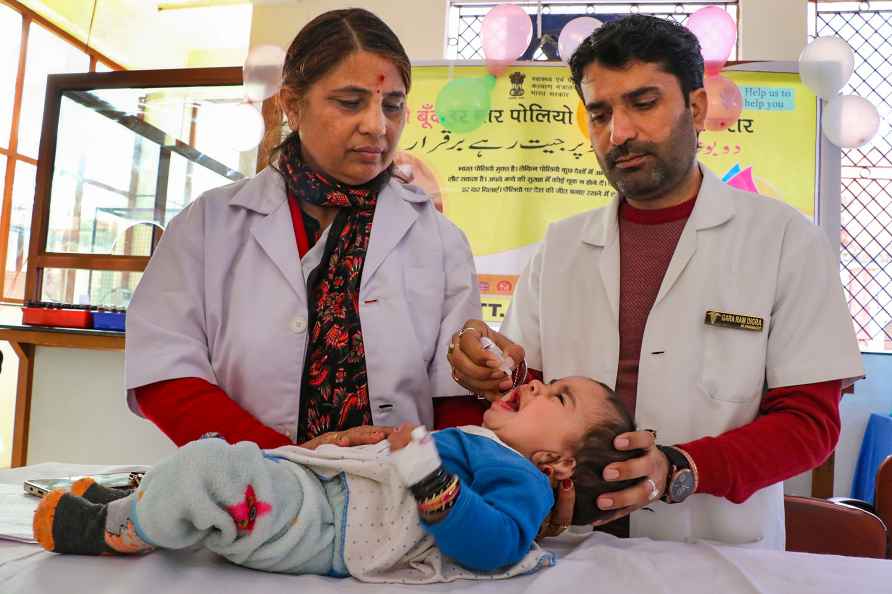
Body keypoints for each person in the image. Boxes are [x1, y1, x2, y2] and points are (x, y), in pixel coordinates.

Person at [447, 15, 864, 549]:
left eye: (643, 103)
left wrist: (680, 468)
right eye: (600, 114)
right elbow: (531, 383)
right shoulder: (562, 247)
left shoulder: (784, 241)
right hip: (562, 547)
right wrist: (495, 371)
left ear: (695, 107)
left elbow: (810, 425)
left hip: (713, 549)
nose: (619, 133)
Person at [124, 9, 481, 452]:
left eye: (392, 106)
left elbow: (458, 396)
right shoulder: (209, 224)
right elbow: (164, 373)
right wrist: (280, 465)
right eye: (350, 102)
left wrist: (444, 488)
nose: (377, 126)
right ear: (292, 104)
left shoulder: (439, 240)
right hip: (245, 490)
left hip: (398, 498)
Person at [34, 377, 641, 583]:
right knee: (225, 459)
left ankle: (110, 528)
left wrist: (428, 479)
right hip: (322, 500)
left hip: (329, 528)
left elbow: (498, 545)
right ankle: (142, 502)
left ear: (558, 466)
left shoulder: (525, 480)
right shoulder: (489, 448)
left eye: (557, 397)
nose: (535, 384)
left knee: (212, 470)